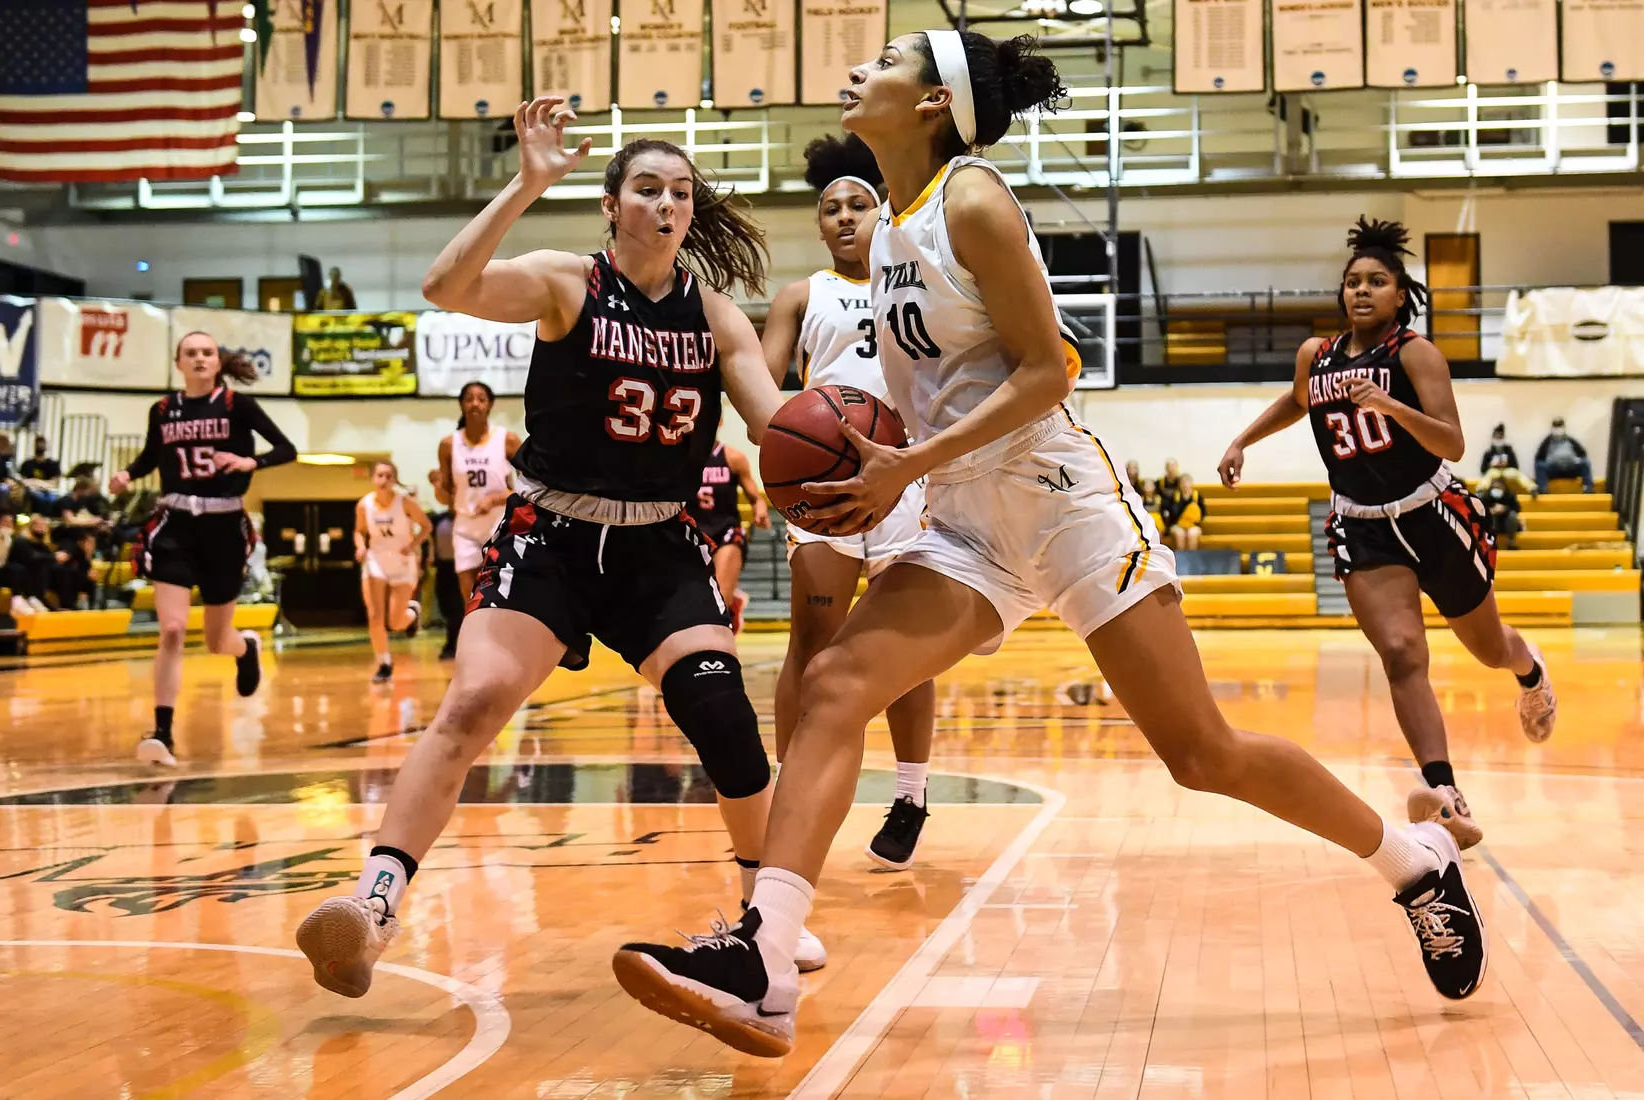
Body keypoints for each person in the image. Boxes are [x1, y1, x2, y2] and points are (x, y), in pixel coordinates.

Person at [615, 35, 1488, 1059]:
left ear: (935, 101)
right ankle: (763, 957)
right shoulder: (891, 231)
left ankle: (1414, 858)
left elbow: (1048, 372)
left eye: (891, 56)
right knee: (839, 682)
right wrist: (873, 467)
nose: (864, 62)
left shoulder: (972, 200)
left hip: (1062, 501)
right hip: (965, 518)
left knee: (1201, 753)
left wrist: (906, 462)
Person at [295, 104, 823, 999]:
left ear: (692, 211)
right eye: (647, 189)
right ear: (612, 206)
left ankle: (767, 922)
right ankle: (373, 904)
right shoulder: (564, 282)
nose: (666, 204)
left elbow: (777, 427)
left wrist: (862, 450)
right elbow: (444, 287)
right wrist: (526, 182)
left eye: (680, 192)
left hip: (658, 545)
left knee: (724, 713)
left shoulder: (718, 316)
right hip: (551, 538)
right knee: (474, 703)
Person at [1217, 216, 1557, 852]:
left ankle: (1530, 670)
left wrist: (1393, 407)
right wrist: (1243, 439)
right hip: (1362, 524)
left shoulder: (1413, 353)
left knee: (1487, 647)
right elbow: (1300, 399)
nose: (1362, 291)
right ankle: (1444, 792)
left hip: (1431, 511)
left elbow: (1452, 440)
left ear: (1401, 295)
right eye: (1353, 282)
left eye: (1377, 281)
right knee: (1402, 654)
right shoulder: (1315, 357)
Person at [759, 132, 938, 870]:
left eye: (857, 205)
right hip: (824, 483)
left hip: (902, 476)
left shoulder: (918, 279)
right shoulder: (802, 294)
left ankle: (911, 793)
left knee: (904, 650)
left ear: (881, 211)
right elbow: (764, 385)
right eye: (829, 207)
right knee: (814, 640)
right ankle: (786, 785)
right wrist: (787, 441)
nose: (842, 217)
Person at [109, 331, 297, 767]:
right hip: (175, 524)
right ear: (178, 363)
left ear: (218, 362)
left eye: (206, 353)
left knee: (217, 640)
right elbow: (150, 458)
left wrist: (252, 462)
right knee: (172, 628)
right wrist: (126, 475)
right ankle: (162, 731)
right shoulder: (162, 409)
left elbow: (286, 448)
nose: (199, 358)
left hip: (224, 524)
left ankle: (244, 648)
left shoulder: (236, 406)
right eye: (190, 353)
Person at [430, 381, 521, 612]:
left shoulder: (506, 439)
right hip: (465, 526)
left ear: (490, 405)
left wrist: (495, 499)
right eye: (469, 398)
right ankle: (477, 644)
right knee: (470, 597)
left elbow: (527, 489)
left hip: (499, 525)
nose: (475, 404)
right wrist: (437, 485)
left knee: (504, 592)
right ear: (461, 404)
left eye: (481, 399)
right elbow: (444, 498)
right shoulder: (449, 444)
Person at [684, 438, 770, 634]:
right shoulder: (679, 458)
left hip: (726, 532)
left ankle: (719, 641)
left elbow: (756, 498)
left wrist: (760, 510)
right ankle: (733, 604)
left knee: (717, 605)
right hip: (691, 534)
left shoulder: (733, 457)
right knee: (691, 604)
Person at [354, 460, 428, 684]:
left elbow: (427, 527)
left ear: (394, 480)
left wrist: (413, 545)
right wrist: (360, 546)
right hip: (376, 559)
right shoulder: (364, 504)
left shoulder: (405, 503)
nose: (384, 480)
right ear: (373, 478)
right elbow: (359, 531)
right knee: (375, 614)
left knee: (395, 622)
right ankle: (384, 662)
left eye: (388, 476)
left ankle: (412, 613)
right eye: (380, 475)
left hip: (402, 560)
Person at [427, 503, 463, 660]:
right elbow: (429, 536)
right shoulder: (437, 519)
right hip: (444, 568)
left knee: (458, 609)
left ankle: (454, 644)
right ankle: (453, 642)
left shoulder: (469, 518)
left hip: (464, 568)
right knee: (446, 607)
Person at [1534, 417, 1594, 493]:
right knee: (1540, 465)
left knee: (1585, 462)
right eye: (1556, 427)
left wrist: (1575, 461)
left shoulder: (1570, 440)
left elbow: (1583, 453)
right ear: (1552, 428)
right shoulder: (1547, 441)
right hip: (1554, 470)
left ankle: (1588, 488)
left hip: (1570, 469)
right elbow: (1538, 458)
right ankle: (1542, 489)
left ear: (1564, 427)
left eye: (1560, 426)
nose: (1558, 429)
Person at [1478, 455, 1522, 550]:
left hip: (1507, 523)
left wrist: (1505, 509)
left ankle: (1511, 543)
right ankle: (1490, 543)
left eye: (1500, 486)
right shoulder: (1486, 497)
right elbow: (1480, 511)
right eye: (1495, 486)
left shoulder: (1509, 496)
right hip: (1493, 522)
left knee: (1512, 516)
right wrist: (1491, 510)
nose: (1497, 489)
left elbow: (1517, 508)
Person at [1161, 471, 1205, 551]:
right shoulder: (1175, 496)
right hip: (1177, 525)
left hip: (1193, 525)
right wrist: (1184, 501)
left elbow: (1203, 513)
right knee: (1180, 534)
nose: (1185, 485)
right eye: (1183, 482)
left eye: (1188, 482)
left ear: (1191, 484)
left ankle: (1192, 558)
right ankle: (1181, 558)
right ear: (1179, 484)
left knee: (1192, 534)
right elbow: (1173, 514)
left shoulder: (1197, 496)